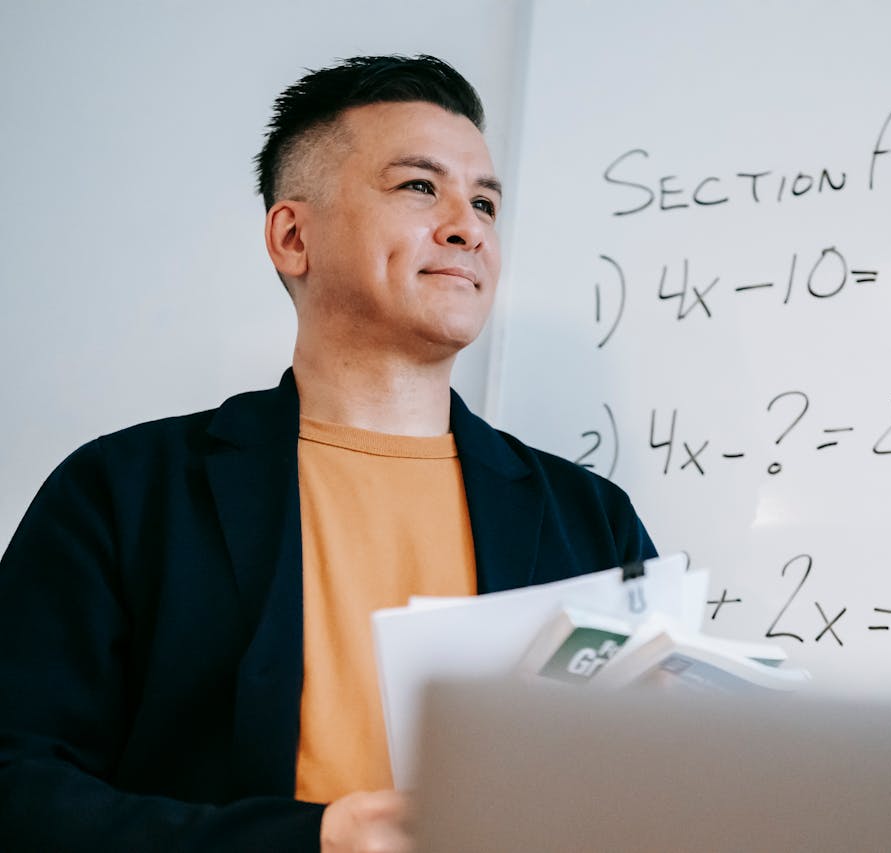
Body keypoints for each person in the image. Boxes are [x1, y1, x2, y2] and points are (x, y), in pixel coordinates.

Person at [0, 55, 656, 852]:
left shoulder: (588, 518)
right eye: (421, 187)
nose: (467, 225)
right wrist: (311, 839)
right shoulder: (125, 492)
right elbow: (19, 784)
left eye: (485, 201)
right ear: (292, 235)